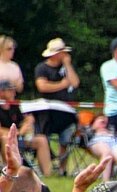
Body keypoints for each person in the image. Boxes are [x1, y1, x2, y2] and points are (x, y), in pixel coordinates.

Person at [34, 38, 80, 173]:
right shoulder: (42, 68)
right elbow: (42, 86)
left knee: (66, 138)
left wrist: (68, 65)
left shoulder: (65, 68)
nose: (65, 55)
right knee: (43, 136)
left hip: (65, 111)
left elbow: (75, 83)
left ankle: (62, 168)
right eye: (62, 52)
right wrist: (62, 84)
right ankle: (46, 167)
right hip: (47, 111)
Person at [0, 81, 51, 177]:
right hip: (5, 138)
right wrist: (17, 132)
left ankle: (47, 174)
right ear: (1, 92)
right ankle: (9, 172)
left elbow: (25, 119)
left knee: (41, 140)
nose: (14, 93)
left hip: (19, 137)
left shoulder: (15, 106)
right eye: (10, 91)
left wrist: (28, 122)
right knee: (5, 139)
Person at [87, 114, 117, 180]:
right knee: (106, 151)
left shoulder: (111, 132)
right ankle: (105, 181)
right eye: (100, 119)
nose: (103, 120)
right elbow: (86, 137)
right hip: (98, 142)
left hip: (114, 143)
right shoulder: (91, 130)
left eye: (104, 120)